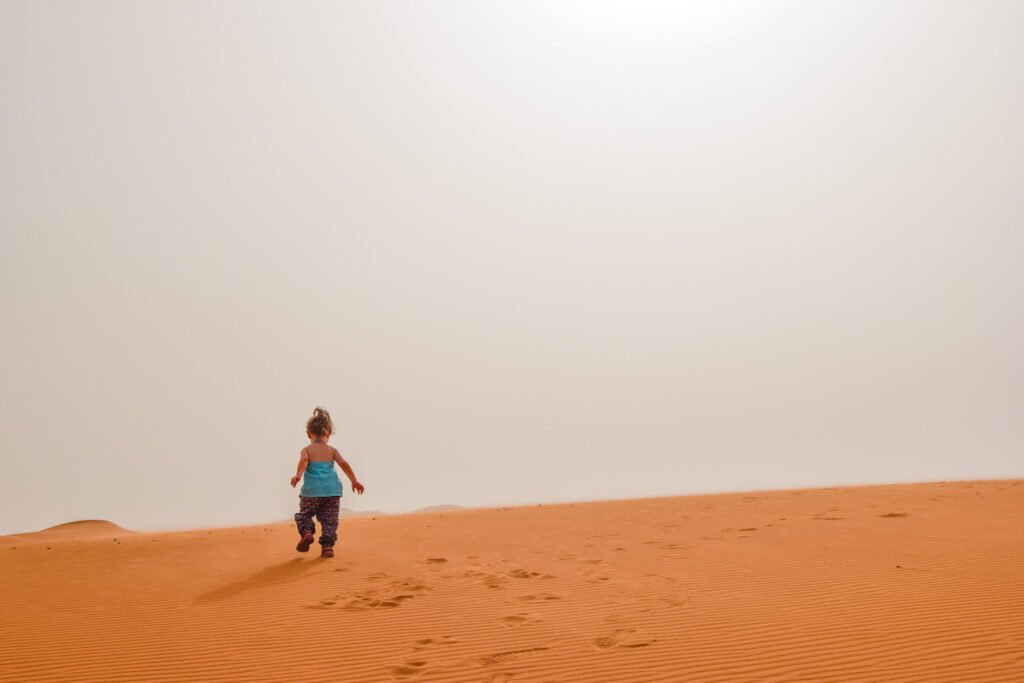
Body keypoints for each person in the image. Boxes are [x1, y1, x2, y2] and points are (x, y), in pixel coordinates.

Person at [290, 407, 365, 558]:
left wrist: (298, 475)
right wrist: (354, 481)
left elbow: (304, 461)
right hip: (332, 492)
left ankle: (307, 532)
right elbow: (343, 464)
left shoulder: (307, 450)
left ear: (308, 434)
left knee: (304, 515)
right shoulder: (332, 451)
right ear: (329, 433)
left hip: (311, 493)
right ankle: (327, 547)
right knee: (329, 520)